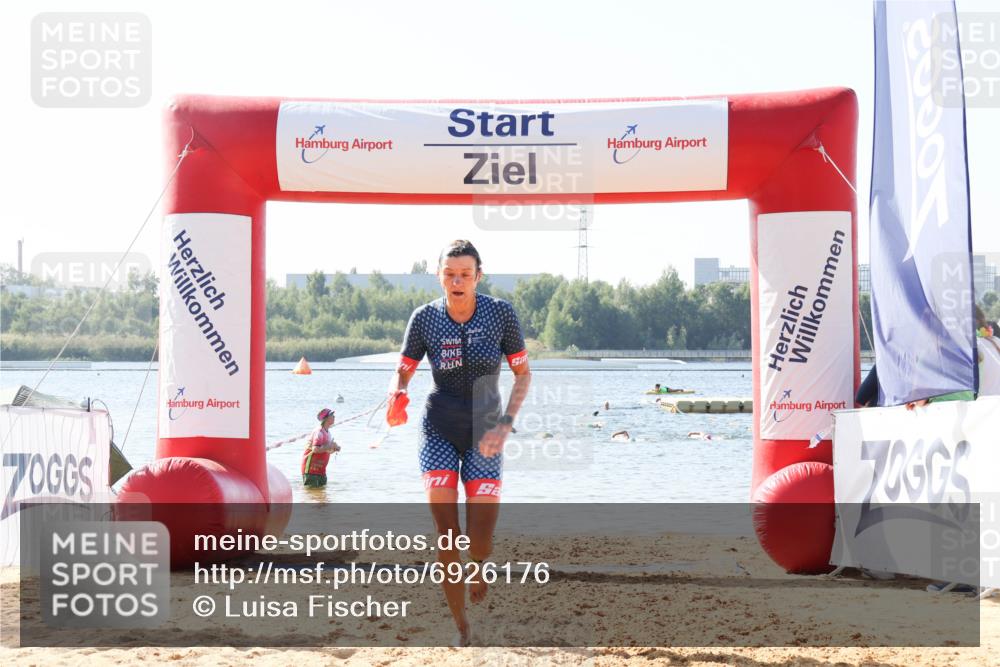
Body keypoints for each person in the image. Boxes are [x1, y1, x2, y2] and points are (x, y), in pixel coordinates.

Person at [387, 240, 531, 646]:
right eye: (449, 274)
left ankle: (479, 565)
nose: (457, 281)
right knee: (447, 533)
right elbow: (401, 372)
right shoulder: (425, 318)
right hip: (439, 427)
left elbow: (523, 375)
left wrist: (506, 423)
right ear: (439, 276)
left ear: (478, 277)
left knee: (479, 539)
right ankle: (461, 625)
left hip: (487, 430)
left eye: (465, 274)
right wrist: (396, 396)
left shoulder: (501, 314)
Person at [301, 408, 340, 487]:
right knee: (311, 495)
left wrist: (335, 448)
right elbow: (315, 449)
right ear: (327, 418)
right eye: (332, 415)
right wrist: (329, 446)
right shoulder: (319, 432)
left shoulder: (328, 433)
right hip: (311, 469)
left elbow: (327, 450)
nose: (334, 417)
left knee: (321, 495)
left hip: (321, 470)